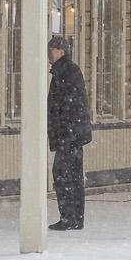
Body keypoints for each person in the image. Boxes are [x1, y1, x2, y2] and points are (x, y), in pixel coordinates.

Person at [47, 34, 91, 231]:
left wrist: (62, 130)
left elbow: (65, 105)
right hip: (72, 134)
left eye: (52, 50)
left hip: (69, 135)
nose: (49, 54)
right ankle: (76, 218)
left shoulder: (65, 72)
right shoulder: (67, 71)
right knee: (72, 176)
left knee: (63, 175)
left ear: (61, 52)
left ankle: (69, 217)